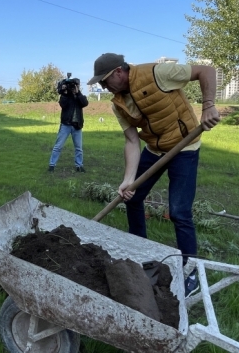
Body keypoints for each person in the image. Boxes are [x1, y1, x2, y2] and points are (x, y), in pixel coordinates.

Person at [87, 53, 221, 297]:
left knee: (179, 211)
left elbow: (206, 71)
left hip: (184, 146)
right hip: (155, 149)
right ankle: (141, 253)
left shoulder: (157, 73)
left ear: (119, 71)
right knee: (133, 198)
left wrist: (208, 105)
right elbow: (131, 140)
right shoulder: (118, 103)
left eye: (104, 82)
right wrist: (128, 180)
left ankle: (190, 271)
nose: (103, 87)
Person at [48, 79, 89, 172]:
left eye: (76, 86)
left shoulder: (80, 96)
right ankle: (52, 165)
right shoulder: (65, 95)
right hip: (66, 124)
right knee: (58, 146)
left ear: (78, 86)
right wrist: (65, 93)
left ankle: (79, 166)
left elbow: (85, 103)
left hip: (77, 125)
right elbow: (62, 104)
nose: (74, 88)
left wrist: (78, 93)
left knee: (79, 148)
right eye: (74, 86)